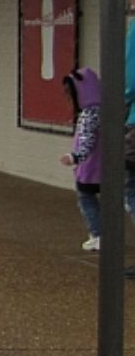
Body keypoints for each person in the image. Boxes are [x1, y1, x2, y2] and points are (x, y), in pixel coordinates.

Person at [62, 67, 107, 251]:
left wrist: (75, 157)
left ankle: (98, 234)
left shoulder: (89, 114)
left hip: (90, 167)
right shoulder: (107, 110)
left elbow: (87, 140)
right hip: (107, 165)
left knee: (86, 198)